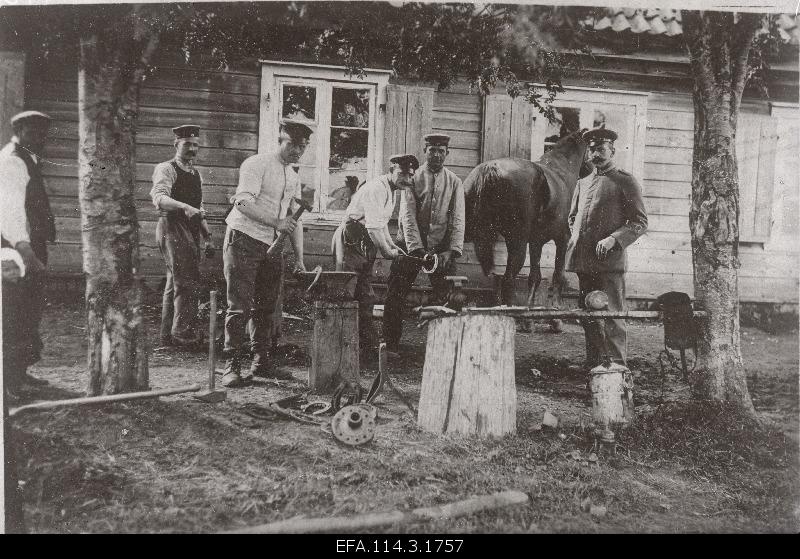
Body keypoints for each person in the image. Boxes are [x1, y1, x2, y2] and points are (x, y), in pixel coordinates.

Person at [221, 120, 310, 387]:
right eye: (293, 144)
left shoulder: (293, 176)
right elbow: (242, 201)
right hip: (243, 240)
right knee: (239, 305)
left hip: (271, 247)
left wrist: (300, 258)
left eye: (303, 146)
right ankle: (231, 366)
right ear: (281, 140)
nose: (297, 151)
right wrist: (276, 223)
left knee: (267, 306)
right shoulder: (256, 164)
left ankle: (261, 363)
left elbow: (294, 219)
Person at [565, 127, 648, 367]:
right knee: (590, 316)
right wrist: (578, 240)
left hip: (610, 263)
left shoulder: (625, 180)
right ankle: (596, 368)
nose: (596, 154)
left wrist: (614, 238)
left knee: (612, 317)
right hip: (584, 262)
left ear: (612, 150)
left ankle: (617, 370)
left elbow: (640, 222)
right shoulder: (583, 183)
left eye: (601, 149)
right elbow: (573, 218)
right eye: (591, 150)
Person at [382, 133, 465, 353]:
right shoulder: (413, 177)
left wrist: (451, 252)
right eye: (432, 150)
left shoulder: (455, 182)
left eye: (440, 151)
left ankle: (446, 347)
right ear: (425, 151)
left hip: (441, 250)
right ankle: (390, 345)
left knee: (450, 296)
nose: (436, 155)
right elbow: (407, 216)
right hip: (410, 247)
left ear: (447, 153)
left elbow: (458, 219)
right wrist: (417, 250)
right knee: (396, 294)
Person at [332, 154, 418, 357]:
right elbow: (372, 227)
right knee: (347, 292)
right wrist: (388, 252)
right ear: (391, 171)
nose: (406, 179)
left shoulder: (392, 191)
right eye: (402, 174)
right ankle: (339, 349)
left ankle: (367, 348)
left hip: (365, 242)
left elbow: (381, 225)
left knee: (366, 296)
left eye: (410, 175)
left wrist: (393, 246)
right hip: (352, 239)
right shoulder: (377, 188)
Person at [1, 110, 56, 402]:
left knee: (29, 311)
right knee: (15, 312)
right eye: (34, 132)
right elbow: (10, 212)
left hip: (30, 243)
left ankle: (20, 372)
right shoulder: (12, 160)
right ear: (20, 130)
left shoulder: (28, 158)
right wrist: (27, 253)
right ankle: (8, 384)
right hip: (16, 246)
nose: (41, 138)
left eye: (44, 133)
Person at [150, 125, 213, 347]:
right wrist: (184, 207)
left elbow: (199, 207)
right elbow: (159, 197)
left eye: (195, 145)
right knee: (186, 280)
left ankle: (168, 334)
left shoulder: (196, 174)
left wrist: (207, 236)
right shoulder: (166, 168)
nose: (192, 149)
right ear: (176, 144)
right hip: (172, 226)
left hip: (191, 229)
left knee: (175, 281)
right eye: (187, 144)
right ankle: (183, 334)